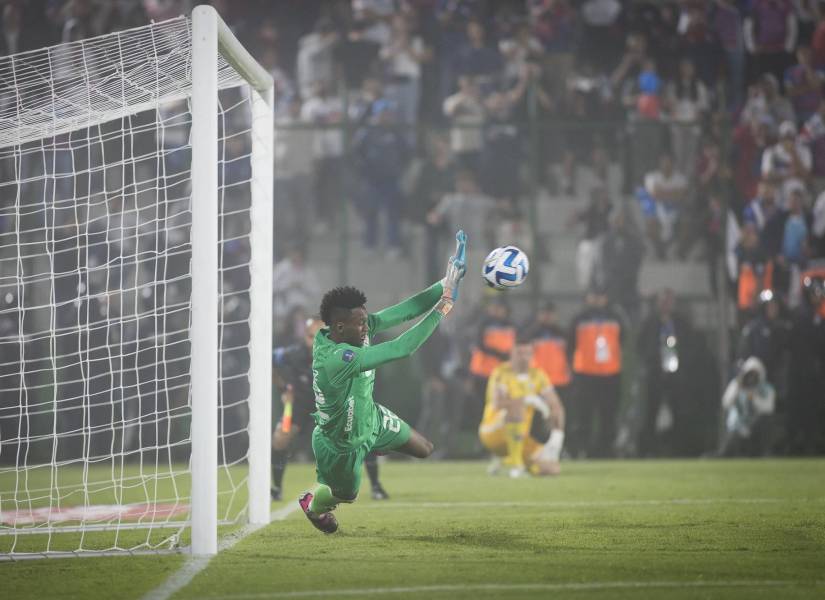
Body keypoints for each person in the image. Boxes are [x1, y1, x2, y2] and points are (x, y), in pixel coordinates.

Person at [298, 232, 467, 533]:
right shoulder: (335, 358)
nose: (367, 327)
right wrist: (442, 309)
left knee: (425, 448)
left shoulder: (353, 330)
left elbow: (407, 309)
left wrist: (447, 282)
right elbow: (401, 348)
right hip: (342, 443)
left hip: (371, 418)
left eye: (365, 320)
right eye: (361, 322)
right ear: (339, 327)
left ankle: (373, 448)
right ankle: (312, 503)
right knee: (346, 495)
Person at [271, 317, 390, 502]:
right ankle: (276, 489)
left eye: (320, 336)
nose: (315, 342)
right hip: (302, 405)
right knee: (280, 438)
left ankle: (376, 486)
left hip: (333, 405)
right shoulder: (292, 354)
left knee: (363, 434)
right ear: (304, 337)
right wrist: (282, 388)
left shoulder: (342, 353)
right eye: (311, 337)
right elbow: (267, 359)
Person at [479, 331, 565, 478]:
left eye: (527, 353)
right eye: (520, 353)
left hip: (520, 437)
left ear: (532, 354)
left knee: (552, 469)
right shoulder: (501, 372)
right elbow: (497, 403)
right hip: (493, 431)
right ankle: (517, 466)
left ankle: (507, 462)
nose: (524, 357)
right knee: (517, 407)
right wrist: (528, 400)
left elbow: (556, 406)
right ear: (512, 353)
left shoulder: (538, 375)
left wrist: (556, 439)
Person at [568, 285, 624, 458]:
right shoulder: (579, 319)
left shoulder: (616, 318)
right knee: (584, 414)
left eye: (600, 296)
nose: (597, 300)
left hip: (610, 374)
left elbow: (623, 340)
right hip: (585, 374)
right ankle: (584, 449)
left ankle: (606, 449)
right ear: (587, 298)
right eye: (594, 296)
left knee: (608, 414)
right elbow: (570, 344)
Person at [717, 357, 776, 457]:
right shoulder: (736, 385)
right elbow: (726, 403)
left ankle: (761, 453)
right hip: (737, 428)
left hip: (756, 429)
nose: (751, 379)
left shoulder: (767, 389)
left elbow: (768, 409)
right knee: (727, 452)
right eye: (749, 375)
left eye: (754, 375)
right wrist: (737, 387)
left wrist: (753, 397)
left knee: (765, 421)